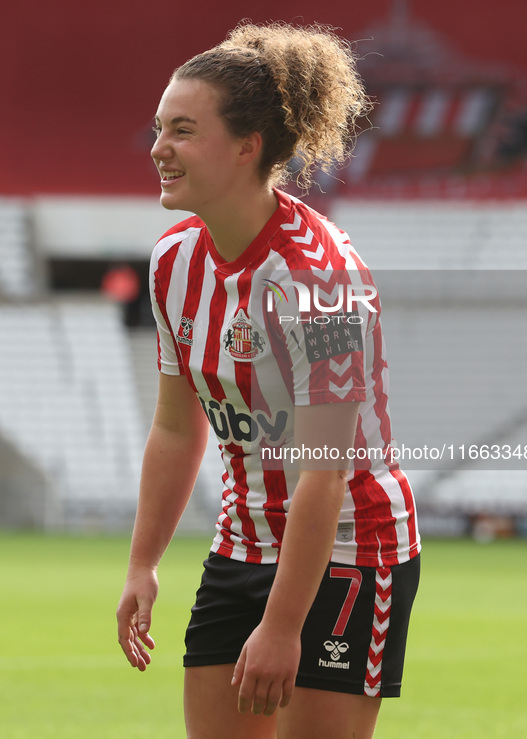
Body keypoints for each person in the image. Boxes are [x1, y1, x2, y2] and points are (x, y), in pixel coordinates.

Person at [116, 21, 421, 739]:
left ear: (248, 146)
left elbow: (324, 474)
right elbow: (175, 424)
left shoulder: (321, 276)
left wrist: (284, 626)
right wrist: (142, 563)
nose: (159, 148)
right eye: (159, 128)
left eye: (183, 130)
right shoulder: (173, 261)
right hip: (241, 545)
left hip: (350, 547)